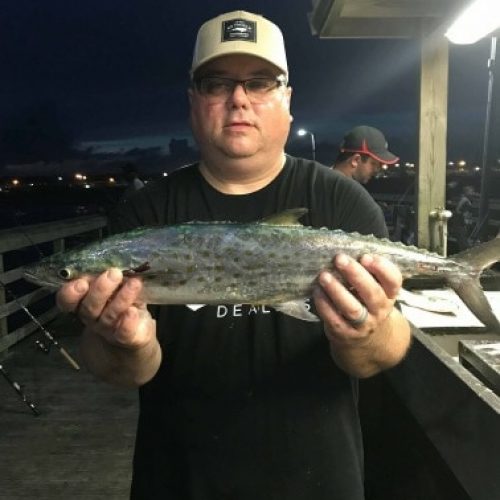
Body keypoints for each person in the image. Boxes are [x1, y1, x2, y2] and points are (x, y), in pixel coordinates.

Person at [56, 10, 411, 500]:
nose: (238, 98)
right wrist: (126, 346)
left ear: (287, 100)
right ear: (193, 102)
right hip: (179, 480)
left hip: (317, 482)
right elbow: (119, 370)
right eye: (216, 83)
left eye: (260, 82)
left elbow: (382, 354)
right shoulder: (144, 212)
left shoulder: (345, 204)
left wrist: (365, 333)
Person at [333, 125, 399, 184]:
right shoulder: (341, 193)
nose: (376, 170)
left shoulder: (327, 183)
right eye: (373, 163)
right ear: (355, 160)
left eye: (379, 165)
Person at [454, 184, 476, 250]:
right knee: (463, 237)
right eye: (471, 191)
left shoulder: (468, 199)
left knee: (466, 235)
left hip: (466, 219)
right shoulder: (464, 199)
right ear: (466, 192)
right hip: (462, 220)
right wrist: (462, 215)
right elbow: (457, 209)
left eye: (472, 191)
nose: (472, 193)